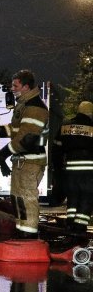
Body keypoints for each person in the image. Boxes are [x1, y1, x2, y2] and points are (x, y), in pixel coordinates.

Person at [0, 69, 48, 240]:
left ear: (26, 87)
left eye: (15, 85)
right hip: (22, 160)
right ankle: (22, 229)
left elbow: (25, 138)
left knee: (27, 197)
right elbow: (15, 130)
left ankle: (30, 233)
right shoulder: (24, 105)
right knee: (17, 197)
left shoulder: (35, 108)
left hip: (31, 160)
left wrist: (2, 154)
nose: (12, 88)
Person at [54, 100, 93, 245]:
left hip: (70, 170)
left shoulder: (66, 126)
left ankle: (70, 227)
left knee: (72, 200)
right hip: (89, 170)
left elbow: (57, 149)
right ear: (90, 113)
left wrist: (58, 170)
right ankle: (79, 229)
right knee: (86, 200)